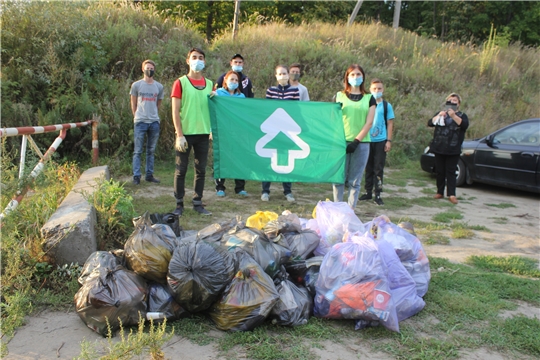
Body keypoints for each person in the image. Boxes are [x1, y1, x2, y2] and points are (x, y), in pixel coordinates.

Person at [170, 48, 213, 216]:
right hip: (185, 134)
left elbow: (214, 109)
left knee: (200, 170)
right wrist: (179, 135)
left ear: (205, 61)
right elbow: (175, 111)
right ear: (187, 60)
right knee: (180, 170)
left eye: (201, 57)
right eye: (194, 57)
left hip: (203, 133)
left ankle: (197, 202)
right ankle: (179, 204)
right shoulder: (180, 83)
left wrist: (212, 130)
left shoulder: (210, 84)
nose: (198, 60)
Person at [333, 64, 375, 209]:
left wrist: (356, 141)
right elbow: (334, 118)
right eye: (352, 75)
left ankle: (350, 211)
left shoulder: (369, 98)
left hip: (362, 143)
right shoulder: (340, 96)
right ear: (347, 77)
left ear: (363, 77)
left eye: (358, 74)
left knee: (355, 181)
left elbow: (369, 123)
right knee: (338, 178)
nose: (355, 77)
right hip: (341, 142)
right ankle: (337, 209)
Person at [261, 65, 300, 202]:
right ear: (276, 76)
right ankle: (265, 190)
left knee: (286, 159)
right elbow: (267, 109)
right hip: (273, 129)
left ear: (288, 75)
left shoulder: (295, 90)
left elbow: (295, 109)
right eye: (280, 74)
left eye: (284, 73)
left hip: (288, 130)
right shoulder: (270, 90)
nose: (282, 76)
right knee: (269, 159)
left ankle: (287, 191)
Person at [428, 93, 469, 204]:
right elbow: (430, 123)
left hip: (453, 149)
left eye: (455, 100)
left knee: (451, 172)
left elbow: (464, 125)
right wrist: (439, 116)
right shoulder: (441, 114)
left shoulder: (462, 115)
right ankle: (439, 192)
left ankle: (451, 194)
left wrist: (453, 116)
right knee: (440, 171)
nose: (452, 102)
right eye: (450, 100)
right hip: (439, 147)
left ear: (458, 103)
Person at [359, 78, 395, 205]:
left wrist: (388, 141)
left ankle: (378, 194)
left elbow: (390, 124)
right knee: (368, 167)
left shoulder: (386, 106)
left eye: (379, 88)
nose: (377, 91)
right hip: (367, 140)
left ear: (383, 89)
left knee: (378, 168)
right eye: (374, 89)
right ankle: (368, 192)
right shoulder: (366, 103)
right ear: (370, 90)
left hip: (380, 141)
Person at [213, 71, 248, 197]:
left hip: (237, 132)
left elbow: (244, 114)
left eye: (236, 80)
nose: (233, 82)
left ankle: (240, 188)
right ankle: (220, 187)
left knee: (239, 158)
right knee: (222, 159)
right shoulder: (218, 94)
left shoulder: (241, 97)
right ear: (225, 80)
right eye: (231, 79)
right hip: (222, 131)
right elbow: (212, 110)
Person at [130, 59, 164, 185]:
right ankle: (136, 176)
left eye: (151, 68)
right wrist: (136, 116)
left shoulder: (159, 86)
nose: (149, 70)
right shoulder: (136, 85)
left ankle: (149, 175)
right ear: (142, 69)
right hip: (140, 121)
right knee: (138, 150)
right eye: (147, 68)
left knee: (151, 150)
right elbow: (133, 102)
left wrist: (154, 115)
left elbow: (158, 103)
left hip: (154, 122)